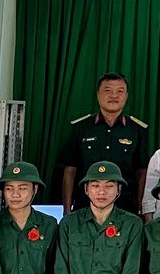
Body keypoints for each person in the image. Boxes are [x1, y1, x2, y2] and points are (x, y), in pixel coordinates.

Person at [60, 73, 149, 213]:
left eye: (120, 91)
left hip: (125, 209)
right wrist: (67, 210)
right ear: (98, 94)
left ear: (126, 96)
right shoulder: (81, 127)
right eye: (108, 90)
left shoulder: (137, 130)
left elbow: (141, 173)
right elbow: (70, 170)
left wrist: (140, 209)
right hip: (85, 207)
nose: (114, 95)